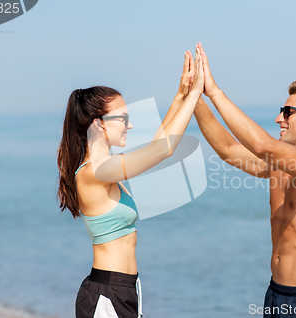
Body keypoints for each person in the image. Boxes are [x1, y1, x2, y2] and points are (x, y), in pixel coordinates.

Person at [193, 43, 296, 317]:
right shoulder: (281, 166)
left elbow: (262, 145)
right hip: (276, 295)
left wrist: (214, 92)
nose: (279, 118)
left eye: (287, 111)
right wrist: (194, 97)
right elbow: (229, 151)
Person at [57, 48, 204, 318]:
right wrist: (196, 93)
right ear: (99, 124)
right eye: (123, 118)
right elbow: (165, 149)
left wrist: (181, 95)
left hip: (126, 289)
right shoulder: (94, 173)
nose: (130, 125)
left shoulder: (108, 168)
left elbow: (156, 146)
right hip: (106, 294)